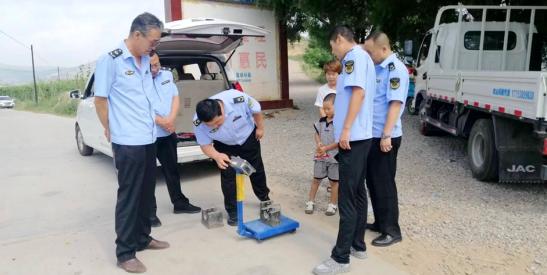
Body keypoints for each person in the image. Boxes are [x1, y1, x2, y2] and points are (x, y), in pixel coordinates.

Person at [94, 12, 169, 273]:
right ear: (137, 35)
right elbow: (100, 100)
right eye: (153, 41)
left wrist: (154, 59)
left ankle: (142, 238)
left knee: (147, 193)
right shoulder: (111, 61)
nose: (154, 46)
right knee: (130, 196)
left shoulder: (146, 59)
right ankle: (125, 252)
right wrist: (109, 129)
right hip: (127, 141)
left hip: (149, 137)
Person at [313, 26, 376, 275]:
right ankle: (357, 245)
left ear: (339, 40)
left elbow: (358, 93)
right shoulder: (364, 58)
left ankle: (340, 258)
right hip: (361, 137)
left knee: (347, 199)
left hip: (354, 138)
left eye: (332, 46)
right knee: (358, 192)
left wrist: (346, 129)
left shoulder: (353, 58)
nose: (334, 52)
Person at [192, 89, 270, 226]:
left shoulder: (237, 99)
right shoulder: (198, 122)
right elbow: (205, 145)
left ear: (222, 110)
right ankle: (233, 212)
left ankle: (264, 198)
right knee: (228, 176)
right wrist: (216, 156)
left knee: (255, 170)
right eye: (212, 126)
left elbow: (256, 110)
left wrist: (260, 128)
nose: (216, 126)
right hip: (224, 146)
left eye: (218, 122)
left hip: (247, 138)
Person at [363, 31, 409, 247]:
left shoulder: (395, 69)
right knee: (373, 182)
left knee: (384, 184)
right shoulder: (377, 68)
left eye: (371, 52)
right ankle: (380, 223)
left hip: (385, 137)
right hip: (372, 135)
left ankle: (392, 231)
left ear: (383, 49)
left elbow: (395, 103)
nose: (369, 56)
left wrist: (386, 134)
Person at [148, 52, 201, 228]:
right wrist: (162, 121)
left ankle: (179, 203)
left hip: (168, 132)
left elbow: (175, 97)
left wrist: (171, 119)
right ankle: (149, 213)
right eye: (150, 66)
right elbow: (139, 107)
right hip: (148, 135)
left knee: (172, 170)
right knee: (148, 176)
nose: (154, 69)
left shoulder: (167, 75)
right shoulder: (138, 81)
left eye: (156, 64)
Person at [306, 93, 339, 216]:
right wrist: (319, 143)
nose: (325, 111)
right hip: (320, 155)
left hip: (335, 157)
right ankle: (310, 201)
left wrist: (326, 148)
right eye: (324, 109)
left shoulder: (340, 123)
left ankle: (332, 204)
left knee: (334, 182)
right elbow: (316, 133)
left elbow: (340, 141)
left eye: (328, 109)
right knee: (316, 179)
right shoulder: (321, 121)